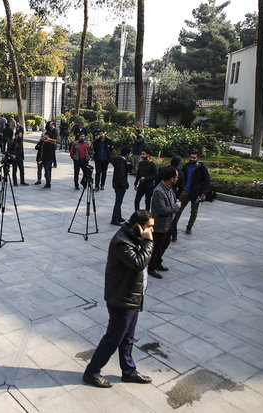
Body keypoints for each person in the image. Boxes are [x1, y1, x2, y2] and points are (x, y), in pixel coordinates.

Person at [83, 210, 154, 389]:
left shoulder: (134, 238)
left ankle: (129, 372)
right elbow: (139, 262)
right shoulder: (122, 242)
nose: (151, 231)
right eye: (149, 228)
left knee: (128, 337)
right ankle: (91, 372)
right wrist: (148, 241)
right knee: (113, 338)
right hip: (121, 298)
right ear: (138, 226)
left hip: (132, 296)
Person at [148, 167, 181, 279]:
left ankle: (157, 262)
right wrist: (176, 207)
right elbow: (162, 210)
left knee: (165, 244)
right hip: (160, 225)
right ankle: (151, 267)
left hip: (169, 223)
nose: (178, 178)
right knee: (157, 246)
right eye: (176, 176)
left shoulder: (169, 188)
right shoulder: (159, 191)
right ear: (171, 178)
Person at [172, 150, 211, 237]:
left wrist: (203, 193)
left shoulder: (202, 168)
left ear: (198, 158)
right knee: (178, 209)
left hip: (196, 193)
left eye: (194, 157)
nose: (192, 159)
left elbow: (206, 181)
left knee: (194, 211)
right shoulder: (186, 166)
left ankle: (189, 226)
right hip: (185, 191)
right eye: (191, 157)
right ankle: (173, 225)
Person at [110, 148, 131, 226]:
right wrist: (125, 184)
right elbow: (121, 175)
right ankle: (114, 219)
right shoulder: (122, 162)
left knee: (119, 200)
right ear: (127, 154)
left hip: (116, 183)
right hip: (120, 184)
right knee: (118, 201)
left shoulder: (118, 160)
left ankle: (119, 216)